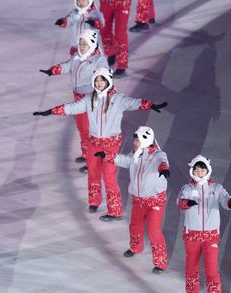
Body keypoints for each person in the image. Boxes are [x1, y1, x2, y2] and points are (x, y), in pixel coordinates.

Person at [34, 68, 167, 221]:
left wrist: (151, 105)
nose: (99, 83)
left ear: (108, 81)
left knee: (109, 176)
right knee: (93, 172)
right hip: (94, 142)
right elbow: (71, 107)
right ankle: (94, 200)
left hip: (111, 143)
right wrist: (50, 111)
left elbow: (134, 103)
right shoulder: (89, 99)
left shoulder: (118, 99)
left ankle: (115, 211)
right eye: (97, 80)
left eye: (102, 80)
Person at [177, 156, 231, 293]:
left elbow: (225, 197)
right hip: (192, 235)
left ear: (207, 170)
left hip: (210, 236)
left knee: (211, 270)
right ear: (192, 171)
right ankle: (192, 292)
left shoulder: (216, 188)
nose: (199, 172)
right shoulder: (188, 188)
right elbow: (180, 201)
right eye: (196, 169)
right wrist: (186, 203)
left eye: (202, 169)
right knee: (191, 265)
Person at [102, 126, 169, 273]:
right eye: (135, 140)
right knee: (135, 226)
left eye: (138, 140)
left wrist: (163, 169)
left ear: (146, 140)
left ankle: (160, 262)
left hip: (155, 200)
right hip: (138, 199)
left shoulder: (158, 155)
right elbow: (125, 161)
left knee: (153, 230)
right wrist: (108, 156)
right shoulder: (136, 154)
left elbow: (162, 162)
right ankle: (135, 247)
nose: (135, 143)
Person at [40, 29, 108, 172]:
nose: (82, 47)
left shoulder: (98, 60)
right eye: (81, 43)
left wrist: (99, 95)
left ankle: (93, 162)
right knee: (82, 128)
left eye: (85, 44)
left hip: (90, 99)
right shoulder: (77, 57)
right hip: (77, 96)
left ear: (92, 45)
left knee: (90, 131)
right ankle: (86, 154)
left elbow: (104, 77)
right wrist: (52, 70)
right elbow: (66, 66)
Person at [100, 0, 131, 77]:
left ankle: (122, 65)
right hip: (106, 3)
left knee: (120, 33)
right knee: (104, 29)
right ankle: (111, 53)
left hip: (122, 4)